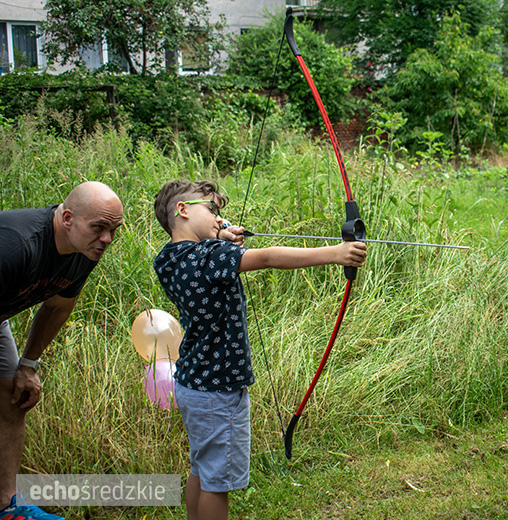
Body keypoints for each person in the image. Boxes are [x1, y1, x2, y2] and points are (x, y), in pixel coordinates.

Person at [153, 179, 366, 520]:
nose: (219, 219)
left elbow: (201, 256)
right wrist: (335, 253)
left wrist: (217, 236)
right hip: (218, 389)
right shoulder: (212, 256)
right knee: (216, 483)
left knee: (202, 468)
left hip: (193, 382)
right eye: (212, 210)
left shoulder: (168, 259)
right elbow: (267, 258)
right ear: (182, 210)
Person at [0, 181, 124, 520]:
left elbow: (58, 306)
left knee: (12, 397)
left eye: (114, 230)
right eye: (99, 227)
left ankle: (8, 508)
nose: (107, 240)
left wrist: (28, 365)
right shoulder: (15, 245)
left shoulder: (83, 252)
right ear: (67, 217)